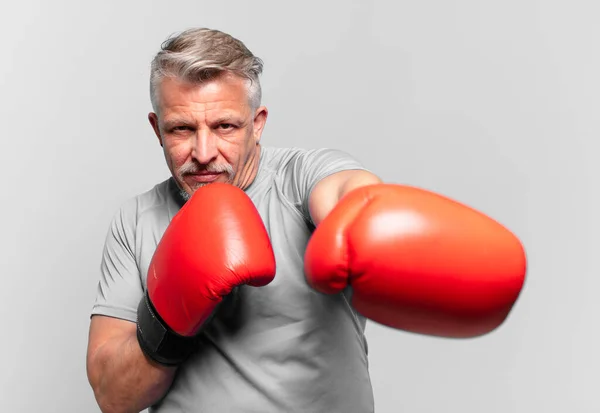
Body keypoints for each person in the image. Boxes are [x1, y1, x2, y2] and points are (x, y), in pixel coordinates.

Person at [86, 27, 527, 413]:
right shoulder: (136, 220)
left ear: (257, 123)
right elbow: (113, 397)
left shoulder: (300, 178)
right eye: (181, 129)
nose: (203, 154)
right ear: (156, 127)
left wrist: (363, 220)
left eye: (225, 126)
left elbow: (348, 190)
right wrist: (167, 319)